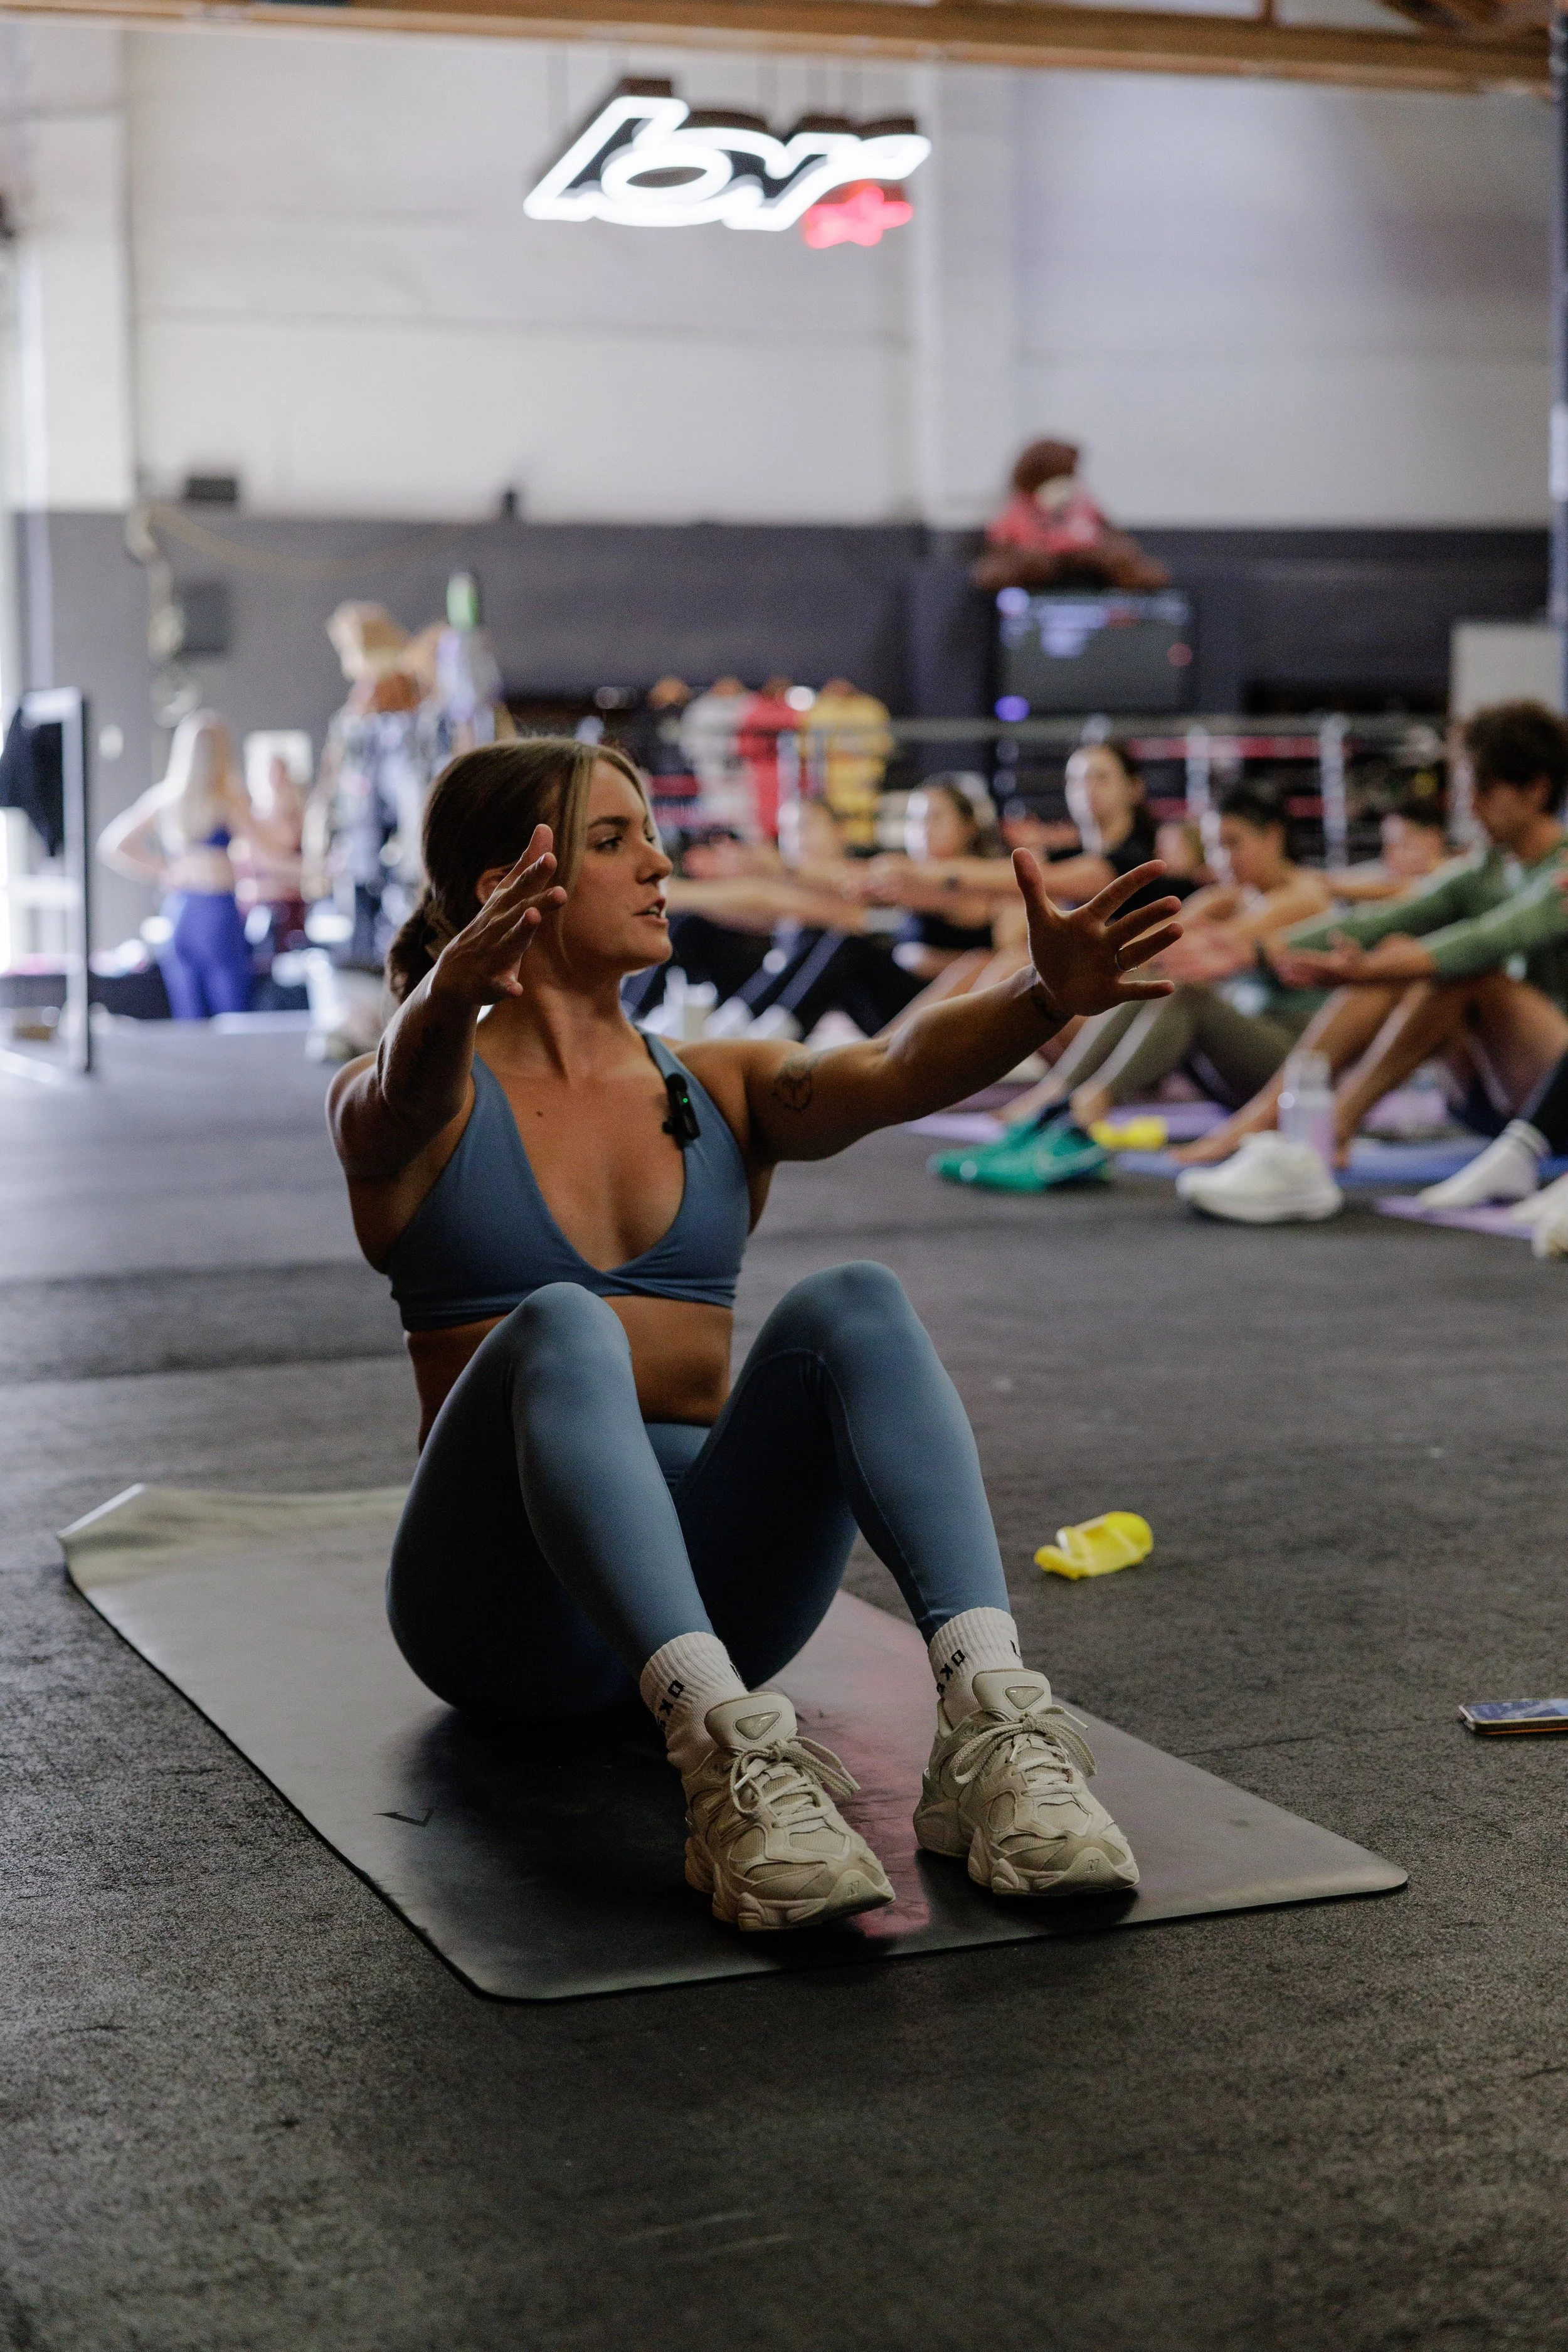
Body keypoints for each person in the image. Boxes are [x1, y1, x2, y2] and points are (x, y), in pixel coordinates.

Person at [326, 737, 1182, 1934]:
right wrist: (455, 992)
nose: (659, 863)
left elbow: (890, 1065)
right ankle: (725, 1771)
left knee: (856, 1302)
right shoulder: (411, 1092)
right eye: (614, 840)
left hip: (726, 1605)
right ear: (505, 888)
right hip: (499, 1622)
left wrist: (1043, 998)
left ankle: (993, 1725)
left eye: (649, 834)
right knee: (564, 1327)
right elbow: (399, 1094)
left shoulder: (714, 1086)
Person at [1173, 702, 1568, 1225]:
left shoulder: (1561, 871)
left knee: (1462, 973)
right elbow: (1383, 919)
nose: (1468, 806)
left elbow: (1489, 940)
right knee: (1400, 961)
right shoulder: (1487, 866)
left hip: (1552, 1087)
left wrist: (1373, 968)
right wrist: (1260, 950)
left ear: (1536, 789)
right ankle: (1283, 1124)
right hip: (1495, 1090)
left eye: (1484, 790)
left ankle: (1317, 1134)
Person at [930, 781, 1331, 1191]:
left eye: (1234, 843)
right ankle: (1058, 1099)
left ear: (1274, 836)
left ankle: (1085, 1114)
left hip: (1292, 1071)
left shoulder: (1304, 895)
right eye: (1214, 847)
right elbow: (1147, 944)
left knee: (1184, 990)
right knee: (1144, 980)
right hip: (1232, 1068)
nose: (1223, 859)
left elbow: (1210, 946)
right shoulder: (1229, 897)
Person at [97, 710, 254, 1020]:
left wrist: (165, 870)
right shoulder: (227, 799)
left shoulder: (166, 799)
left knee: (190, 1017)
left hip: (180, 914)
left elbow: (113, 844)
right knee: (233, 1017)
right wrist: (311, 870)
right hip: (217, 914)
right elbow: (266, 852)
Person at [802, 678, 893, 847]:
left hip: (862, 786)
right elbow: (809, 748)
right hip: (831, 786)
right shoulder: (820, 710)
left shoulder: (870, 709)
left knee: (862, 833)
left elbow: (882, 746)